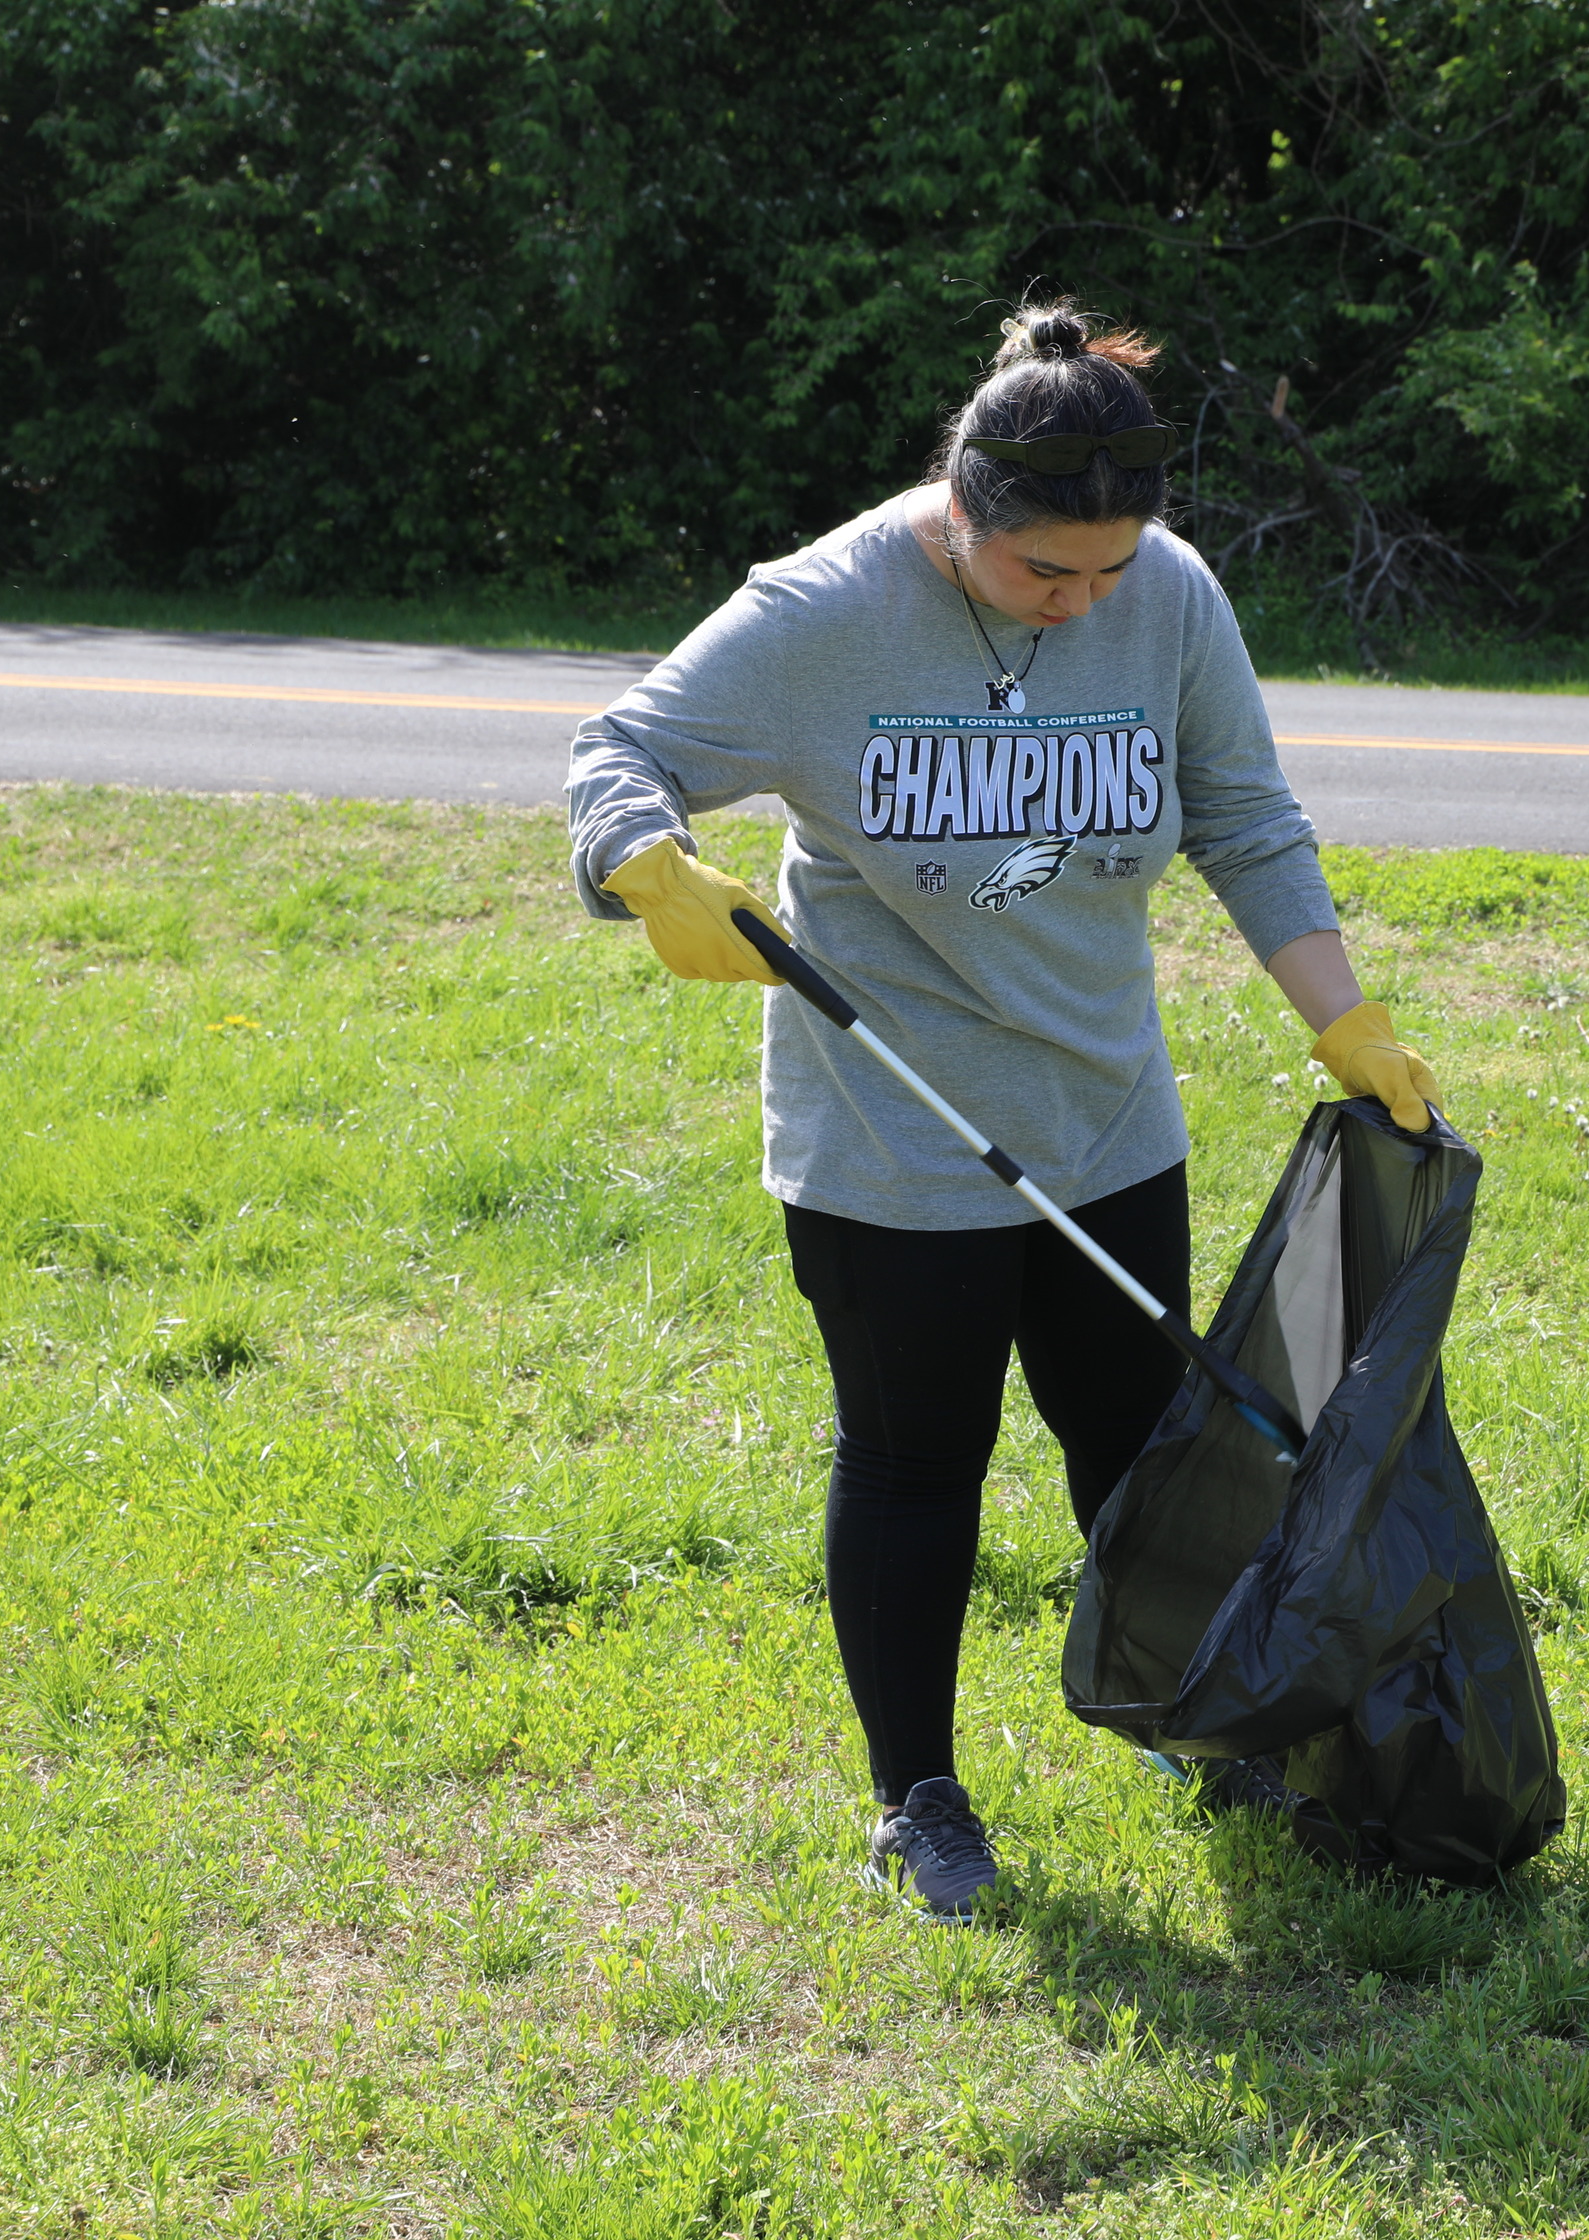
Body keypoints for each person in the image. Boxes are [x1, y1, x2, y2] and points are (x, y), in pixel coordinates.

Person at [562, 299, 1442, 1920]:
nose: (1081, 604)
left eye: (1109, 573)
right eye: (1049, 575)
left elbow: (1244, 818)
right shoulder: (824, 611)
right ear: (960, 514)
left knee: (1142, 1445)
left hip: (1108, 1115)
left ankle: (1188, 1715)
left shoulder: (1164, 596)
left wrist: (1347, 1023)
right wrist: (641, 860)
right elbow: (621, 751)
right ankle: (921, 1796)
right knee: (918, 1460)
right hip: (894, 1138)